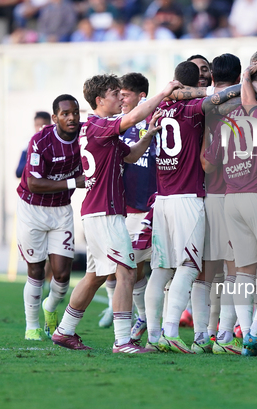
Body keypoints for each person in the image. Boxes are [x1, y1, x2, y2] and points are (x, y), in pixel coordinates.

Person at [51, 74, 181, 352]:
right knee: (126, 271)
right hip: (105, 212)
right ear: (99, 100)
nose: (121, 98)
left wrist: (150, 134)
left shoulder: (98, 129)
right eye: (115, 94)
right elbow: (132, 119)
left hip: (97, 212)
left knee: (95, 275)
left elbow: (131, 155)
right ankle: (123, 340)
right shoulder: (100, 125)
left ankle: (64, 331)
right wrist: (165, 92)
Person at [143, 61, 242, 354]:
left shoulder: (160, 109)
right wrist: (248, 82)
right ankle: (171, 331)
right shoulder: (193, 109)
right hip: (188, 197)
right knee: (189, 266)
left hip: (162, 197)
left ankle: (153, 334)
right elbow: (219, 97)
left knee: (161, 269)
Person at [205, 62, 257, 357]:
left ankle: (248, 335)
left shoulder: (224, 119)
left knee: (243, 272)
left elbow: (209, 163)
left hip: (231, 199)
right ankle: (255, 330)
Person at [16, 94, 84, 342]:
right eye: (65, 114)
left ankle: (50, 306)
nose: (71, 118)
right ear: (55, 118)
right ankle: (32, 326)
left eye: (75, 113)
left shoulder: (85, 137)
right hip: (32, 209)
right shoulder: (40, 141)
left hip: (61, 209)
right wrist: (73, 182)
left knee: (63, 275)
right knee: (35, 270)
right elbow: (33, 183)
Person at [97, 73, 157, 343]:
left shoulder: (158, 121)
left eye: (126, 94)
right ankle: (144, 318)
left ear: (141, 96)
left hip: (156, 206)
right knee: (133, 268)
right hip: (129, 208)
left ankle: (159, 327)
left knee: (161, 268)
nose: (121, 99)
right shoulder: (116, 126)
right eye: (118, 94)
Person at [200, 53, 241, 354]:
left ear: (212, 77)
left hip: (209, 195)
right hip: (238, 193)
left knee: (205, 271)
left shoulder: (204, 106)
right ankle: (225, 335)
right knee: (234, 270)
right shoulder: (247, 104)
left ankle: (203, 334)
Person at [16, 111, 52, 178]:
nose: (39, 129)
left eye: (43, 125)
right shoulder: (29, 144)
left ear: (50, 125)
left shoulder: (55, 144)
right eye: (37, 125)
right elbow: (19, 172)